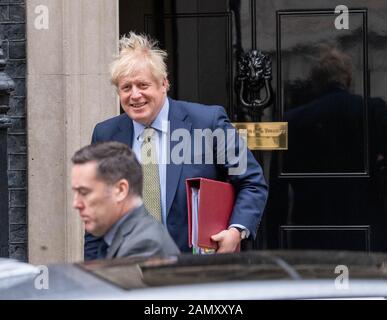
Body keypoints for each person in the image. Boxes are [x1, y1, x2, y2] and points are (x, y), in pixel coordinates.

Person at [84, 32, 268, 259]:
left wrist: (235, 231)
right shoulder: (105, 134)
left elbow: (251, 182)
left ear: (164, 84)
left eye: (143, 85)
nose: (135, 95)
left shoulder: (207, 122)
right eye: (126, 87)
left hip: (195, 270)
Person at [71, 141, 180, 259]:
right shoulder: (124, 235)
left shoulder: (144, 244)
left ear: (120, 190)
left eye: (84, 192)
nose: (76, 204)